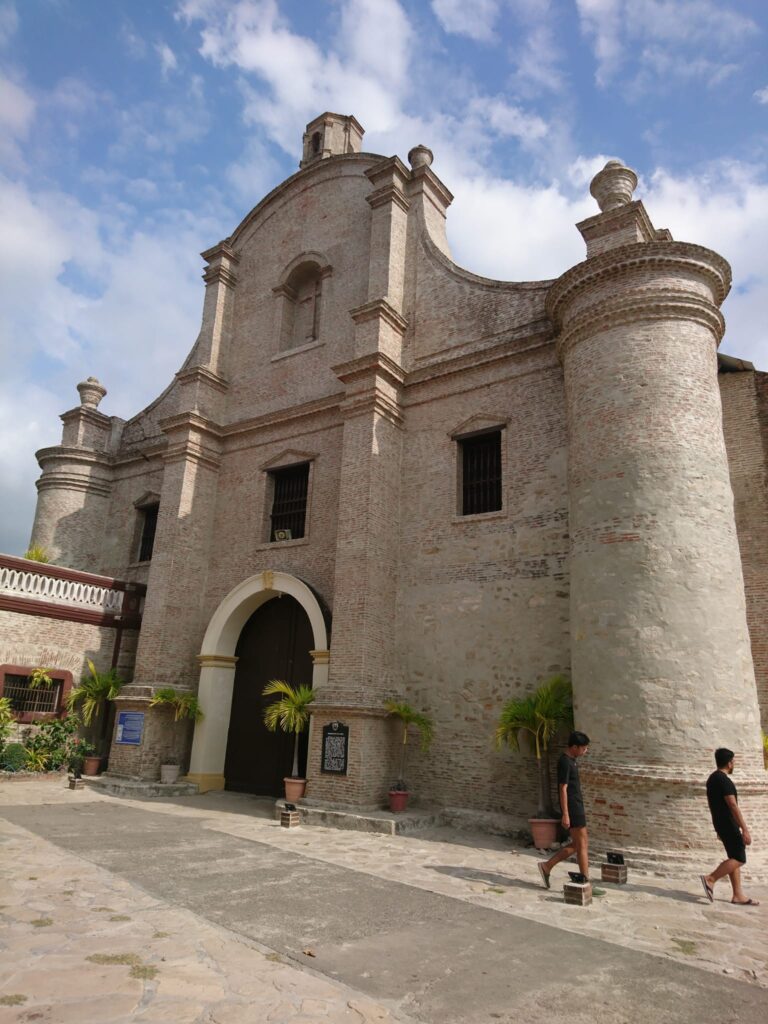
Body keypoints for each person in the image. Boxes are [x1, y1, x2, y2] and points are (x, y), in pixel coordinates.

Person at [700, 747, 759, 906]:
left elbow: (713, 804)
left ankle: (738, 895)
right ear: (729, 763)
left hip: (721, 823)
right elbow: (732, 805)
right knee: (739, 858)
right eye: (733, 761)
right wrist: (745, 829)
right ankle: (710, 879)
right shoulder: (723, 780)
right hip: (728, 823)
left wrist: (717, 827)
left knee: (733, 855)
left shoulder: (712, 778)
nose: (734, 764)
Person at [537, 731, 591, 889]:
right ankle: (585, 882)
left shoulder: (572, 760)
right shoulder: (565, 762)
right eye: (583, 748)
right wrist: (565, 814)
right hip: (573, 808)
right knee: (581, 845)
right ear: (574, 747)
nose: (585, 751)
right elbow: (563, 788)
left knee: (578, 844)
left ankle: (547, 867)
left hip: (577, 805)